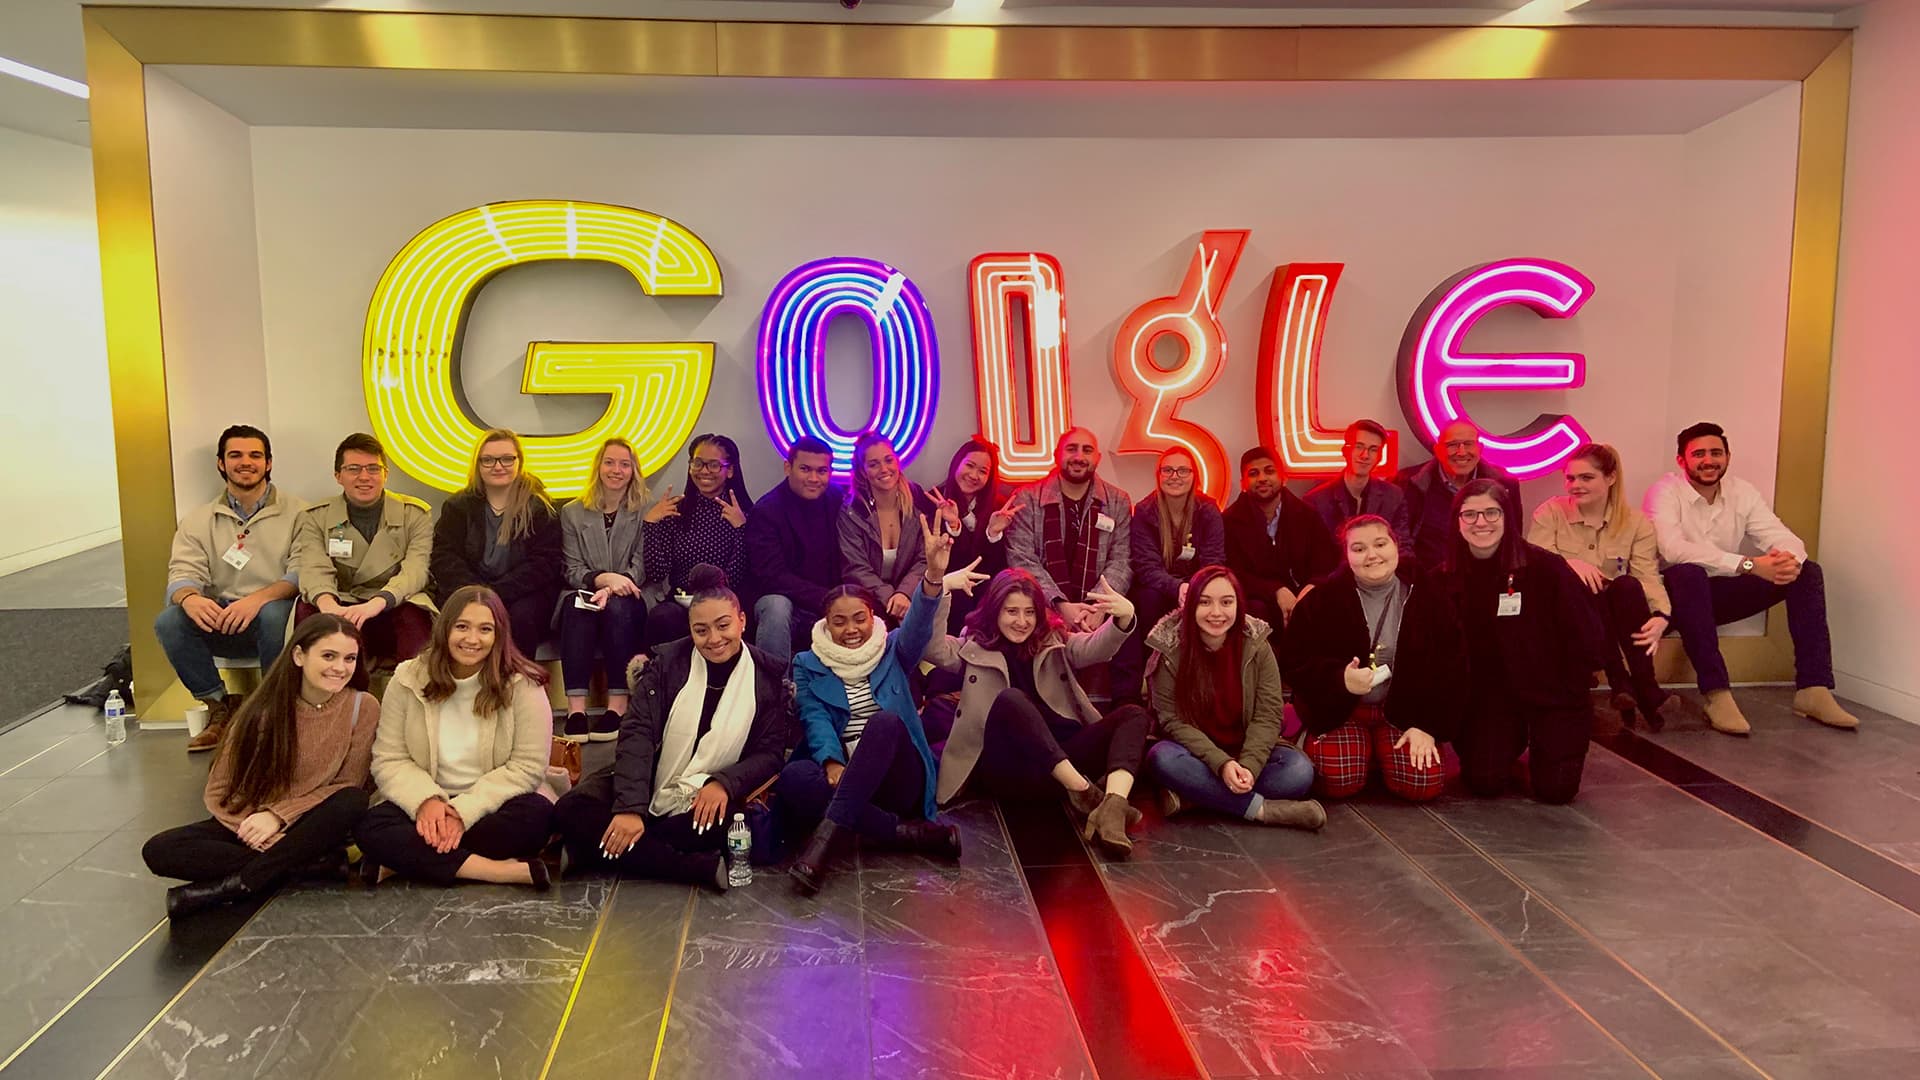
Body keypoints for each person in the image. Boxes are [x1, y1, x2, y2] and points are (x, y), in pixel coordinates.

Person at [783, 513, 987, 894]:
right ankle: (909, 836)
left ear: (872, 617)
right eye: (839, 622)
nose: (851, 630)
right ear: (825, 624)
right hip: (842, 771)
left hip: (897, 775)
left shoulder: (893, 648)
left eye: (859, 618)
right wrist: (830, 761)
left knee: (885, 723)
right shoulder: (807, 663)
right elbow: (814, 718)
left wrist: (933, 576)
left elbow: (919, 627)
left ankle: (823, 843)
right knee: (794, 779)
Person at [553, 565, 789, 891]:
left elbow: (771, 753)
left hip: (709, 792)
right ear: (690, 630)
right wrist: (630, 809)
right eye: (701, 630)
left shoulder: (767, 679)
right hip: (650, 777)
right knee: (570, 809)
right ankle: (690, 868)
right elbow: (637, 735)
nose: (714, 639)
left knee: (728, 825)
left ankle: (593, 851)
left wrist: (723, 783)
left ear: (742, 621)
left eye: (723, 626)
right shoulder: (667, 665)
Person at [142, 614, 377, 918]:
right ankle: (312, 865)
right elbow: (218, 789)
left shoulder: (363, 707)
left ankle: (239, 884)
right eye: (328, 656)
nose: (340, 668)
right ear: (298, 655)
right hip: (252, 823)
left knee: (352, 801)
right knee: (160, 849)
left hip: (313, 823)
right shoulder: (262, 708)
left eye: (350, 658)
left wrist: (278, 817)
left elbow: (348, 785)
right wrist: (258, 827)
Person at [1643, 422, 1856, 735]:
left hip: (1719, 595)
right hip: (1673, 600)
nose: (1708, 460)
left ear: (1728, 456)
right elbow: (1673, 551)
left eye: (1716, 452)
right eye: (1698, 454)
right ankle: (1716, 694)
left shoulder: (1742, 492)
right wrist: (1747, 565)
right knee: (1688, 574)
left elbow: (1783, 537)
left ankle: (1814, 688)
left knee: (1808, 572)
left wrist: (1786, 561)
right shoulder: (1664, 492)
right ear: (1681, 460)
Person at [924, 568, 1146, 857]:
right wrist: (940, 590)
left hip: (1063, 760)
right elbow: (933, 648)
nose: (1021, 621)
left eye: (1029, 612)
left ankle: (1114, 807)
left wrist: (1124, 617)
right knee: (1011, 700)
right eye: (1011, 611)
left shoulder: (1054, 640)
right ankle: (1086, 794)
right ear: (994, 611)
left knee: (1134, 714)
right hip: (1011, 770)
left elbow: (1096, 649)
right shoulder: (973, 648)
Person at [355, 585, 556, 888]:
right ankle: (496, 871)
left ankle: (405, 863)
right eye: (462, 627)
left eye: (485, 629)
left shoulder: (524, 685)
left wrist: (463, 813)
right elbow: (389, 758)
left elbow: (527, 768)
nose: (472, 639)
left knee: (536, 816)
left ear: (499, 635)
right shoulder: (407, 678)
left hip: (491, 806)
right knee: (371, 826)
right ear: (445, 628)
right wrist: (427, 802)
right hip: (424, 804)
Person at [1442, 481, 1606, 804]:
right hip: (1491, 697)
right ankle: (1508, 752)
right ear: (1457, 521)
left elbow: (1587, 636)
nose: (1481, 523)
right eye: (1470, 514)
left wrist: (1572, 687)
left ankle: (1546, 750)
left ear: (1508, 517)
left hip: (1554, 693)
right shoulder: (1446, 577)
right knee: (1485, 782)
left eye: (1492, 512)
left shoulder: (1547, 568)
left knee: (1556, 792)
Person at [1282, 516, 1466, 803]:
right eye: (1358, 548)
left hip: (1407, 712)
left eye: (1380, 544)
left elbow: (1453, 667)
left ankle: (1376, 755)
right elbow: (1294, 662)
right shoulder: (1321, 601)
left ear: (1395, 545)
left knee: (1423, 783)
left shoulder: (1430, 595)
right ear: (1346, 555)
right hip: (1343, 711)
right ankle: (1361, 751)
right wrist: (1338, 677)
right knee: (1337, 781)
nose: (1372, 555)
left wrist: (1429, 726)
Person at [157, 424, 306, 753]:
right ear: (221, 464)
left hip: (274, 620)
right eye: (235, 455)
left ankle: (272, 711)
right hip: (220, 618)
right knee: (169, 620)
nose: (245, 462)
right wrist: (190, 598)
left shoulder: (300, 513)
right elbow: (182, 572)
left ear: (268, 463)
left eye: (255, 455)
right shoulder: (198, 520)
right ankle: (218, 705)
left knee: (274, 614)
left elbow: (302, 572)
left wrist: (257, 600)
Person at [1143, 565, 1324, 829]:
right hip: (1194, 754)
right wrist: (1222, 764)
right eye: (1205, 602)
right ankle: (1261, 810)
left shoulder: (1258, 645)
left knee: (1298, 771)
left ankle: (1194, 796)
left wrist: (1248, 766)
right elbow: (1172, 721)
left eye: (1226, 602)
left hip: (1245, 751)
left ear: (1239, 605)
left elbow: (1269, 714)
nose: (1216, 612)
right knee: (1161, 759)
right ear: (1190, 605)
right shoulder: (1168, 648)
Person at [1529, 444, 1687, 730]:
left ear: (1611, 478)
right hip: (1562, 614)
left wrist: (1661, 616)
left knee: (1626, 586)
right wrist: (1570, 565)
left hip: (1613, 613)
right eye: (1570, 478)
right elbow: (1536, 567)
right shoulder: (1550, 512)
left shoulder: (1636, 522)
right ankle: (1643, 688)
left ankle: (1627, 684)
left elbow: (1647, 575)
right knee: (1590, 591)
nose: (1575, 485)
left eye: (1586, 478)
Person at [293, 433, 435, 671]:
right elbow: (313, 568)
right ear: (338, 476)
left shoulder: (415, 514)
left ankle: (415, 693)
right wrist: (330, 607)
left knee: (415, 617)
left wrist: (377, 603)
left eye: (373, 468)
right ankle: (321, 697)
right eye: (354, 469)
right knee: (309, 612)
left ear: (385, 474)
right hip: (343, 600)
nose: (364, 477)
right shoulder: (315, 516)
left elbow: (416, 571)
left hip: (394, 601)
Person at [428, 429, 563, 656]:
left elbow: (545, 563)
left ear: (519, 462)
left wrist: (497, 593)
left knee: (521, 617)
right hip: (468, 590)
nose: (498, 466)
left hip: (523, 596)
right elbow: (445, 557)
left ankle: (518, 685)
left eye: (507, 459)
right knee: (464, 616)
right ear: (478, 464)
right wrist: (476, 592)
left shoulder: (539, 508)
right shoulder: (458, 506)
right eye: (488, 460)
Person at [559, 438, 652, 745]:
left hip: (631, 594)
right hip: (588, 589)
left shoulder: (645, 511)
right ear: (598, 467)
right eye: (610, 462)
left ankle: (617, 705)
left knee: (617, 608)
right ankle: (576, 711)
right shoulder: (572, 512)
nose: (616, 470)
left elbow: (641, 565)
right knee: (575, 606)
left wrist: (616, 584)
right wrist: (603, 580)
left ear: (634, 470)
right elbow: (571, 568)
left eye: (625, 464)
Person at [1004, 427, 1133, 634]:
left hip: (1098, 614)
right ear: (1057, 455)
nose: (1079, 457)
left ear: (1097, 458)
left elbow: (1121, 561)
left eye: (1087, 450)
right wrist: (1060, 605)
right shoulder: (1027, 498)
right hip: (1039, 610)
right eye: (1071, 449)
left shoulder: (1118, 501)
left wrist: (1099, 607)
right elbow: (1022, 559)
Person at [640, 433, 751, 653]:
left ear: (729, 470)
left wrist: (742, 530)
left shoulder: (743, 513)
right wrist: (651, 525)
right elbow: (656, 572)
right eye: (698, 463)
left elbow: (738, 577)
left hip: (725, 602)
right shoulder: (677, 511)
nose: (704, 471)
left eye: (713, 465)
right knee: (662, 617)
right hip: (681, 602)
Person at [745, 436, 844, 667]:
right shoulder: (766, 510)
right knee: (776, 607)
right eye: (805, 469)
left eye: (822, 471)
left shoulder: (837, 499)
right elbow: (772, 576)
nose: (814, 478)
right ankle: (776, 689)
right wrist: (826, 598)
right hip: (783, 599)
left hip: (829, 595)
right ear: (787, 467)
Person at [1222, 445, 1339, 636]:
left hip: (1304, 594)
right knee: (1254, 611)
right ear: (1243, 483)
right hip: (1259, 601)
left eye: (1269, 471)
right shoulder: (1229, 521)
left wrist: (1309, 589)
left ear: (1283, 478)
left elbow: (1326, 563)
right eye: (1254, 473)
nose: (1262, 478)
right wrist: (1276, 590)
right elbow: (1233, 572)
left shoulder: (1307, 515)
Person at [1128, 447, 1226, 649]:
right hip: (1158, 588)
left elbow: (1214, 559)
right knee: (1147, 598)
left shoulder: (1208, 510)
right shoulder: (1145, 511)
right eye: (1168, 470)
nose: (1175, 477)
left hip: (1199, 584)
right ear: (1159, 476)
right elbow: (1146, 566)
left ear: (1194, 476)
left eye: (1183, 470)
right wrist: (1177, 587)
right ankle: (1152, 667)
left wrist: (1194, 587)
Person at [839, 431, 936, 624]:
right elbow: (856, 568)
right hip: (867, 600)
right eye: (873, 464)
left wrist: (904, 593)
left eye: (888, 460)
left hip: (911, 595)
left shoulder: (918, 501)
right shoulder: (851, 512)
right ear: (863, 472)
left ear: (897, 462)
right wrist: (891, 598)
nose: (884, 469)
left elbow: (925, 557)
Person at [1399, 419, 1523, 570]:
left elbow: (1513, 541)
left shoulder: (1506, 485)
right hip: (1430, 584)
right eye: (1453, 445)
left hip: (1487, 580)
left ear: (1480, 448)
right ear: (1437, 450)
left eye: (1468, 444)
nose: (1462, 452)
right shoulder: (1409, 484)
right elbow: (1401, 543)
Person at [927, 437, 1017, 636]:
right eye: (969, 465)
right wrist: (954, 525)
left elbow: (998, 567)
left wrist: (993, 534)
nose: (974, 475)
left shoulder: (999, 507)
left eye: (983, 471)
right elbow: (943, 562)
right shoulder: (935, 501)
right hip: (948, 592)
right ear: (956, 464)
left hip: (986, 592)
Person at [1304, 419, 1410, 547]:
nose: (1365, 455)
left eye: (1373, 449)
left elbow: (1402, 547)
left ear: (1380, 457)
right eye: (1359, 446)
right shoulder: (1316, 501)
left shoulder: (1393, 496)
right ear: (1345, 451)